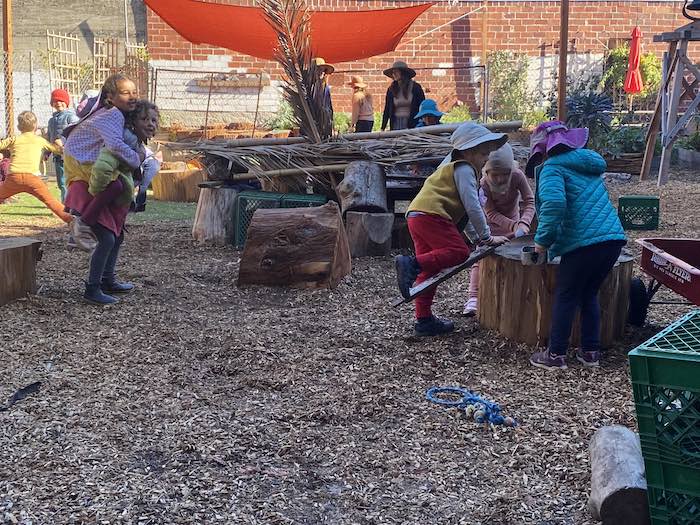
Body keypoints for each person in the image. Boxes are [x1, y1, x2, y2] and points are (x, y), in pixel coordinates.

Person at [526, 121, 626, 370]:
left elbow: (554, 206)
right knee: (588, 293)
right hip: (612, 239)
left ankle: (555, 354)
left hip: (583, 243)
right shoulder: (587, 165)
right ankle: (590, 352)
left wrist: (541, 242)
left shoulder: (552, 168)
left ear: (543, 149)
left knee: (566, 295)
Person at [394, 123, 510, 337]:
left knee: (431, 271)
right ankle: (410, 264)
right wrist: (487, 236)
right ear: (468, 151)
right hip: (432, 215)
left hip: (417, 215)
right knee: (458, 253)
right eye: (484, 153)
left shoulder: (455, 168)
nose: (486, 159)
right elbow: (473, 206)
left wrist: (480, 239)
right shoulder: (464, 168)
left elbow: (465, 217)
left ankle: (424, 320)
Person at [63, 73, 145, 305]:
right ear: (110, 97)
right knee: (108, 238)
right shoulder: (111, 115)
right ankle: (92, 288)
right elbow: (115, 145)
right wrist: (138, 159)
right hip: (83, 172)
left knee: (116, 235)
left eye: (134, 92)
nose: (132, 96)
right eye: (125, 92)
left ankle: (107, 279)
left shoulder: (119, 116)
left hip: (93, 170)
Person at [463, 143, 535, 316]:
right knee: (481, 258)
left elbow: (529, 201)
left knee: (515, 260)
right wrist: (512, 225)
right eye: (495, 175)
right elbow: (491, 212)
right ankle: (474, 296)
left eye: (505, 174)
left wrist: (524, 223)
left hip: (515, 225)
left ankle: (514, 294)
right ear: (486, 172)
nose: (500, 179)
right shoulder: (483, 185)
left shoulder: (517, 176)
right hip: (490, 227)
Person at [0, 111, 73, 223]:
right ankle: (70, 220)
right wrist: (60, 145)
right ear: (35, 126)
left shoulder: (14, 139)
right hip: (32, 178)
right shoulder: (39, 140)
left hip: (14, 177)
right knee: (50, 200)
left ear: (19, 127)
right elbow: (56, 150)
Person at [47, 88, 80, 202]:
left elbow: (76, 132)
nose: (58, 103)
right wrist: (47, 152)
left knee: (71, 180)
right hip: (57, 156)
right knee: (61, 182)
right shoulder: (51, 121)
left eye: (61, 100)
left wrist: (64, 142)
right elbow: (49, 137)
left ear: (66, 103)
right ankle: (65, 203)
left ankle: (71, 204)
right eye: (55, 101)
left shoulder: (71, 117)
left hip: (69, 155)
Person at [381, 60, 425, 131]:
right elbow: (387, 109)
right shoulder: (391, 89)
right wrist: (383, 127)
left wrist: (422, 122)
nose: (393, 74)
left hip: (412, 123)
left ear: (403, 72)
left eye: (396, 72)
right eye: (393, 72)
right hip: (396, 123)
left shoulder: (415, 87)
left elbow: (422, 106)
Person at [313, 58, 334, 133]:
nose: (321, 72)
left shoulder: (326, 87)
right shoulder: (309, 87)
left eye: (323, 70)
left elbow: (329, 105)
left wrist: (331, 121)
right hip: (312, 120)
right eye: (319, 69)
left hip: (325, 121)